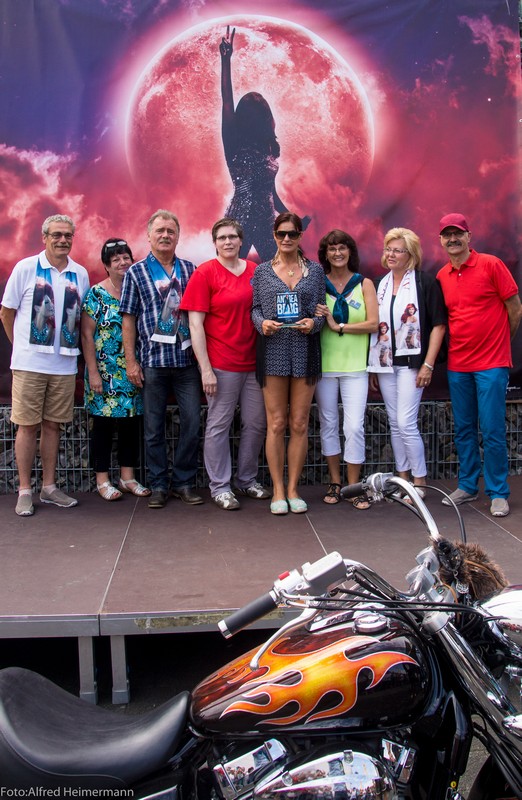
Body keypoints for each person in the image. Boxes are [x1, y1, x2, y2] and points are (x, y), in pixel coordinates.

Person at [0, 214, 90, 516]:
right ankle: (25, 490)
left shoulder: (79, 274)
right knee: (27, 426)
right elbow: (6, 313)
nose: (62, 240)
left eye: (68, 235)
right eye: (56, 235)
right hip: (29, 365)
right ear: (45, 237)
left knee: (53, 426)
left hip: (64, 366)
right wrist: (21, 347)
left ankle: (49, 487)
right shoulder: (26, 268)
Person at [436, 213, 522, 517]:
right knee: (464, 429)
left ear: (468, 236)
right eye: (447, 235)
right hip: (458, 364)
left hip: (492, 363)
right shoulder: (442, 275)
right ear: (441, 240)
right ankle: (468, 486)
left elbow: (515, 309)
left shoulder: (491, 264)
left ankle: (498, 493)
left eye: (458, 233)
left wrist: (501, 343)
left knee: (492, 429)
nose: (453, 239)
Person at [180, 218, 269, 510]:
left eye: (232, 236)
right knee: (219, 425)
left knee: (256, 423)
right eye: (222, 237)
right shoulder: (205, 273)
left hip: (254, 363)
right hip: (221, 364)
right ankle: (220, 487)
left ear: (241, 240)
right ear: (215, 243)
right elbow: (195, 325)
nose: (228, 242)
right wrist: (205, 369)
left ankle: (246, 480)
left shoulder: (256, 271)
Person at [119, 210, 203, 509]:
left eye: (170, 231)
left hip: (186, 362)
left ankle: (183, 482)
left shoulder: (191, 270)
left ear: (178, 236)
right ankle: (158, 484)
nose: (165, 235)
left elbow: (200, 316)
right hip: (152, 362)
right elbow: (128, 319)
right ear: (149, 235)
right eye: (160, 231)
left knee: (192, 423)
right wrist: (131, 362)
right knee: (153, 428)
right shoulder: (136, 273)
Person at [251, 211, 325, 515]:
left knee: (299, 423)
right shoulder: (262, 271)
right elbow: (255, 309)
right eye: (281, 233)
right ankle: (278, 490)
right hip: (273, 351)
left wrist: (314, 323)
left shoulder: (315, 271)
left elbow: (321, 311)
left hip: (305, 351)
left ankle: (293, 489)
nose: (286, 239)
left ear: (300, 236)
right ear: (274, 235)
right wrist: (262, 323)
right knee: (277, 423)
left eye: (292, 234)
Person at [219, 26, 310, 262]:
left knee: (282, 269)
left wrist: (292, 218)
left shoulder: (268, 148)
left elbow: (270, 192)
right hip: (239, 220)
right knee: (230, 272)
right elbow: (226, 101)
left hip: (267, 221)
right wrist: (226, 61)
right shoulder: (234, 144)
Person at [368, 227, 446, 497]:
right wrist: (374, 367)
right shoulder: (379, 284)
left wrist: (428, 364)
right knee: (394, 422)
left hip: (413, 363)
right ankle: (404, 481)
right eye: (388, 249)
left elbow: (439, 325)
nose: (391, 254)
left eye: (397, 250)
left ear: (410, 254)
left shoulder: (425, 283)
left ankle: (420, 482)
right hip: (385, 363)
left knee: (405, 422)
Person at [81, 238, 150, 502]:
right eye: (116, 259)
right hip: (104, 373)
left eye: (126, 257)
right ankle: (102, 480)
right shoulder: (96, 294)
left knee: (131, 424)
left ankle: (127, 477)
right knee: (103, 425)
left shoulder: (138, 290)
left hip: (132, 370)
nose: (122, 263)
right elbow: (86, 336)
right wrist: (93, 373)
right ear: (107, 266)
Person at [314, 230, 378, 507]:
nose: (337, 253)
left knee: (353, 427)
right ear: (325, 254)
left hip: (356, 367)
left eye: (342, 248)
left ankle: (354, 486)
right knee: (328, 424)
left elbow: (373, 324)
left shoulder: (364, 284)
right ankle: (335, 481)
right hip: (325, 367)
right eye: (332, 249)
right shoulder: (318, 284)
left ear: (350, 251)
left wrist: (338, 325)